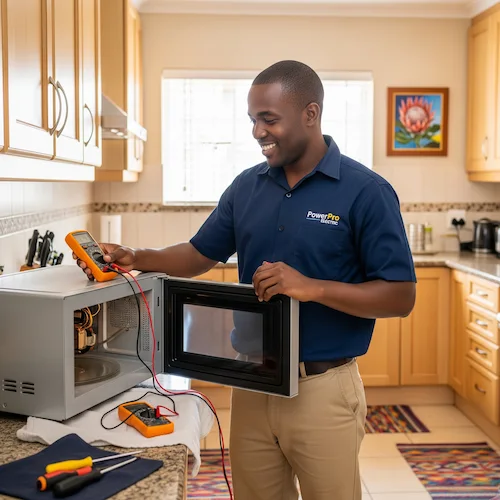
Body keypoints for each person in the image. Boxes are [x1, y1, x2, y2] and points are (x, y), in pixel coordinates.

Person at [75, 60, 416, 500]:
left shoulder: (366, 191)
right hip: (252, 384)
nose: (257, 131)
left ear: (310, 114)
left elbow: (400, 296)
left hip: (323, 392)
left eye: (268, 119)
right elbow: (199, 254)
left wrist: (311, 287)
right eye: (253, 119)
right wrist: (137, 257)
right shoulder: (246, 186)